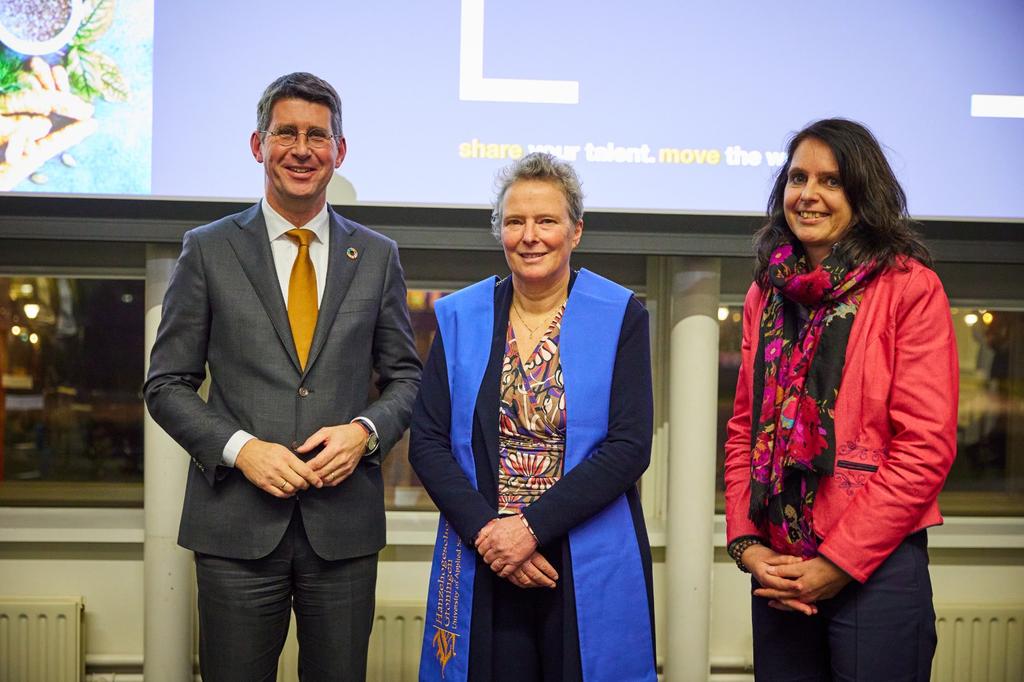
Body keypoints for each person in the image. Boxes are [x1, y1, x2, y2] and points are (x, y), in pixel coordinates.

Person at [143, 72, 421, 681]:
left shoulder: (377, 256)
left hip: (343, 528)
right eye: (286, 133)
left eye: (317, 136)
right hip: (235, 527)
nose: (302, 149)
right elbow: (165, 384)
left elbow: (406, 379)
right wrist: (241, 451)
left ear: (339, 151)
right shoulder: (208, 248)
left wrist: (364, 434)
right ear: (257, 144)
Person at [723, 118, 958, 680]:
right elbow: (744, 431)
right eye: (798, 178)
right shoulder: (767, 292)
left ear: (863, 194)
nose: (808, 195)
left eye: (831, 182)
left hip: (875, 567)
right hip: (779, 570)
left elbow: (924, 448)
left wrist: (838, 563)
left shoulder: (909, 287)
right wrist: (747, 545)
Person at [409, 152, 657, 682]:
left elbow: (630, 446)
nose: (530, 235)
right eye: (515, 221)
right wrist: (492, 536)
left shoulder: (620, 315)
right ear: (498, 230)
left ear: (576, 231)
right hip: (486, 557)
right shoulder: (460, 317)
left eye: (546, 220)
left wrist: (529, 529)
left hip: (583, 557)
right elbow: (427, 442)